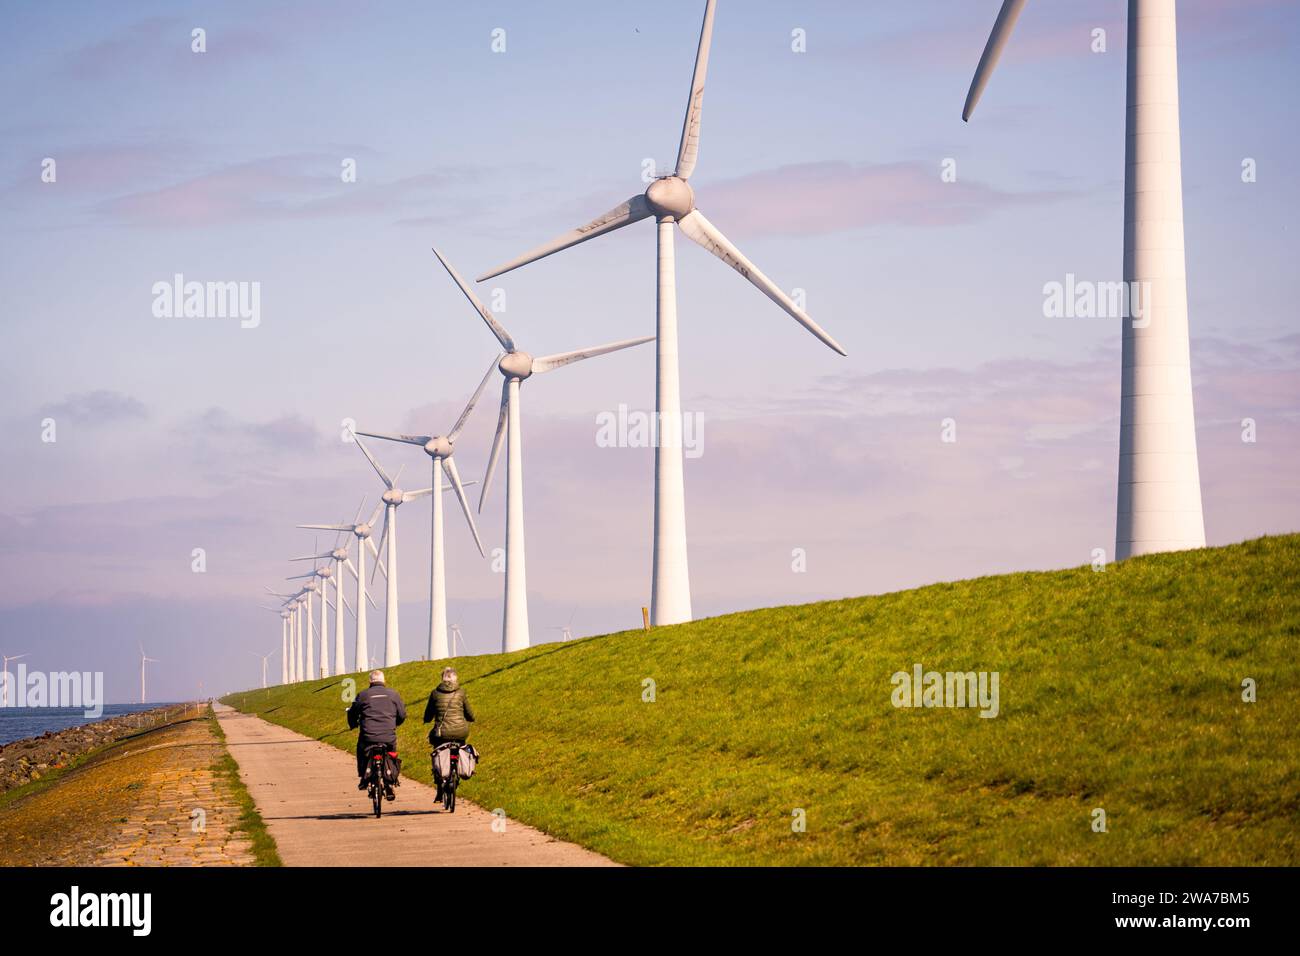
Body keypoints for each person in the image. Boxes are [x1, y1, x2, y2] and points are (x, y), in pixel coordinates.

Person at [346, 670, 406, 794]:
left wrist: (353, 724)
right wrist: (395, 724)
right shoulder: (393, 694)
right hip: (388, 736)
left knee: (361, 750)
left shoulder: (363, 695)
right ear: (384, 681)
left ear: (370, 681)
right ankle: (390, 781)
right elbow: (402, 715)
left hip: (368, 736)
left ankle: (363, 777)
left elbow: (352, 713)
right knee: (391, 753)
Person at [423, 667, 475, 799]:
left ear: (442, 679)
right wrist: (471, 718)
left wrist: (427, 719)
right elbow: (469, 713)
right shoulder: (461, 693)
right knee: (461, 745)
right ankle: (458, 769)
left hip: (441, 734)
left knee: (436, 751)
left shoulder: (435, 693)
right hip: (461, 732)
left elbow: (428, 714)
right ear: (455, 679)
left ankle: (439, 783)